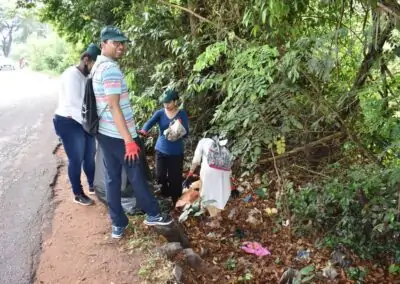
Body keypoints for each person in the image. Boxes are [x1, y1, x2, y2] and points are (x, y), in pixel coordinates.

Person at [92, 25, 172, 239]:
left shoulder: (97, 67)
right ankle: (153, 213)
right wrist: (128, 138)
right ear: (103, 44)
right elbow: (114, 106)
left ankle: (118, 223)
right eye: (115, 43)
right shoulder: (110, 69)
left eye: (122, 42)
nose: (121, 46)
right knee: (136, 174)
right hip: (119, 136)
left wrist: (126, 127)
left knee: (112, 179)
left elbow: (108, 107)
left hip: (106, 132)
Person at [53, 43, 101, 206]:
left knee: (89, 157)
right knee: (76, 158)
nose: (94, 68)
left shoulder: (87, 76)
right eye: (93, 64)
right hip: (68, 121)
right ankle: (77, 193)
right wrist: (94, 124)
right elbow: (75, 103)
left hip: (84, 122)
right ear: (86, 59)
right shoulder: (71, 75)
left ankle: (93, 185)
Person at [139, 89, 189, 205]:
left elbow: (186, 132)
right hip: (161, 149)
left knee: (175, 178)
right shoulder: (160, 113)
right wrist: (144, 130)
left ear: (175, 101)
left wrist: (178, 129)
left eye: (169, 102)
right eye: (164, 102)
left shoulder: (181, 114)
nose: (166, 105)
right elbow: (149, 122)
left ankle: (176, 201)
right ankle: (165, 195)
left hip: (176, 151)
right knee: (160, 175)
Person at [187, 136, 231, 216]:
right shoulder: (220, 144)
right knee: (218, 192)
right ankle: (218, 213)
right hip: (224, 172)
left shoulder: (202, 141)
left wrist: (191, 172)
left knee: (206, 192)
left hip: (209, 170)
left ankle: (206, 212)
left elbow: (196, 160)